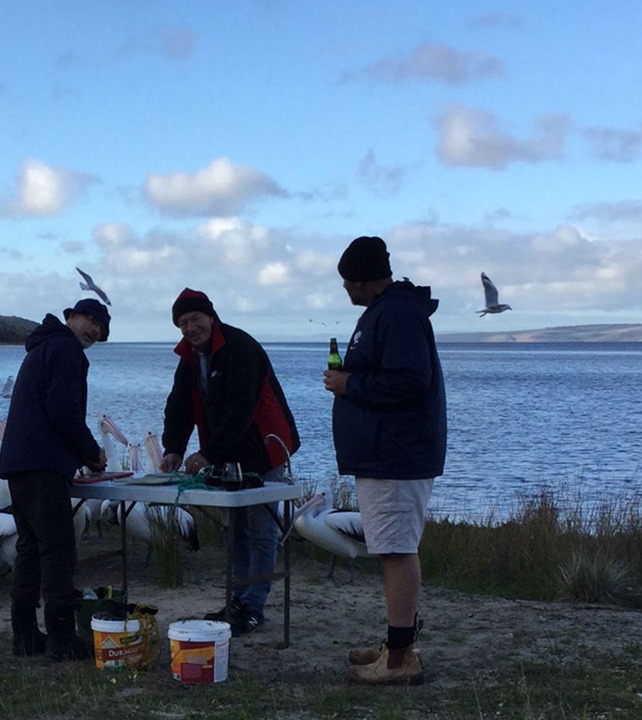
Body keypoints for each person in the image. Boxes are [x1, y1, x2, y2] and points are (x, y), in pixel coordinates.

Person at [323, 236, 446, 685]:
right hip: (382, 453)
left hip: (397, 453)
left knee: (396, 550)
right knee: (391, 548)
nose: (345, 291)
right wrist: (349, 381)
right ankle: (397, 642)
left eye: (346, 282)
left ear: (359, 280)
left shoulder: (397, 313)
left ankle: (399, 660)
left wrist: (349, 386)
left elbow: (412, 380)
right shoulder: (385, 312)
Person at [160, 288, 299, 636]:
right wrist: (173, 448)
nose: (189, 329)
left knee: (260, 528)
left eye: (194, 319)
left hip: (264, 448)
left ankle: (254, 605)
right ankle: (237, 598)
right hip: (228, 454)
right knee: (235, 529)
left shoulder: (241, 348)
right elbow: (178, 404)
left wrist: (208, 454)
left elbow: (241, 409)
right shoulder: (189, 358)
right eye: (182, 324)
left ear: (211, 316)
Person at [0, 297, 111, 661]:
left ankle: (25, 635)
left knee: (30, 549)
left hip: (18, 462)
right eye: (90, 319)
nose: (95, 329)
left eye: (101, 327)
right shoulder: (65, 350)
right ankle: (62, 638)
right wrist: (92, 454)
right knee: (59, 550)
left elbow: (51, 410)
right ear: (70, 317)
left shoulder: (44, 347)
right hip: (42, 465)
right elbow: (63, 412)